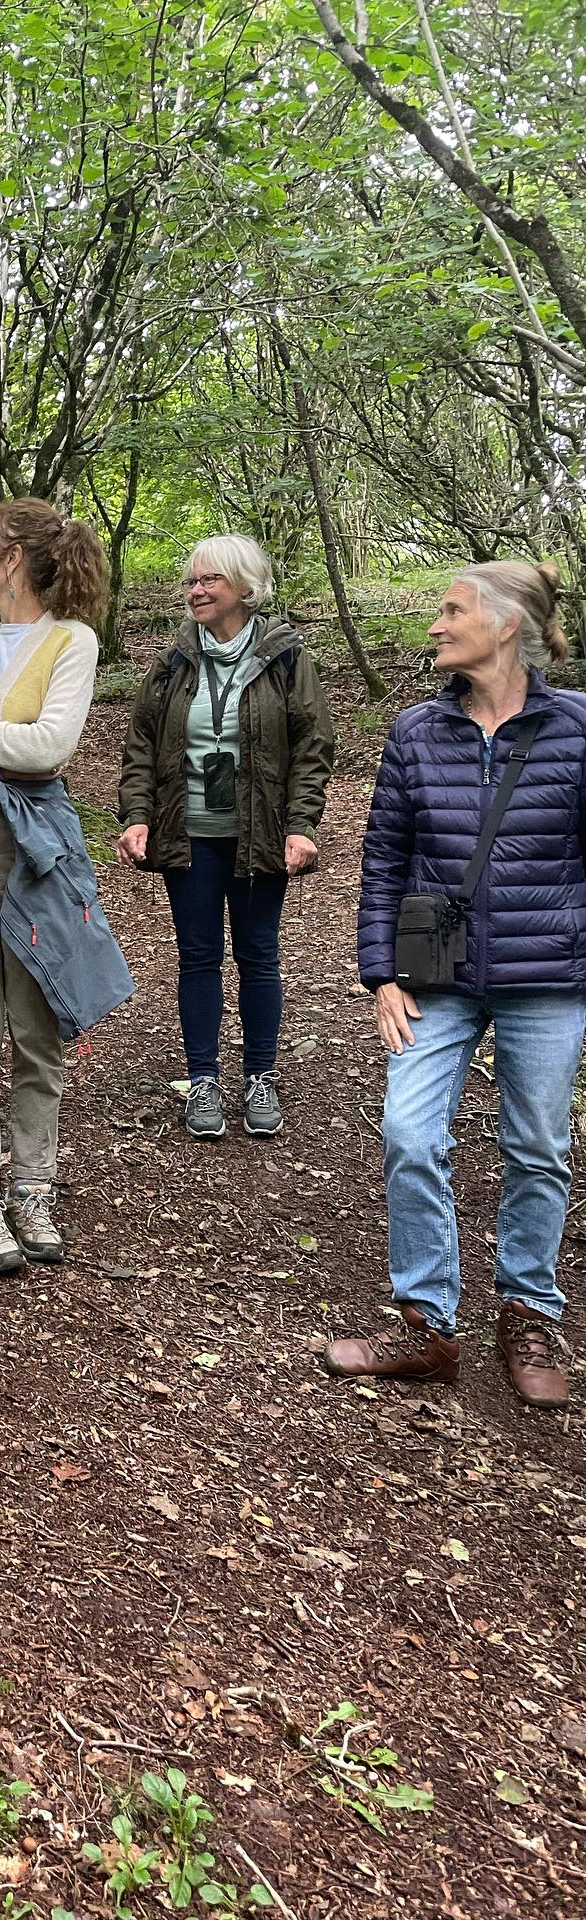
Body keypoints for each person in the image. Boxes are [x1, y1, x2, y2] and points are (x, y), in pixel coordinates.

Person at [325, 561, 584, 1409]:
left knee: (538, 1148)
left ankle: (528, 1311)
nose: (434, 625)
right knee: (407, 1132)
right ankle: (428, 1326)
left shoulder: (578, 728)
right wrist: (379, 975)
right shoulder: (414, 732)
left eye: (451, 610)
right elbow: (383, 860)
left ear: (507, 624)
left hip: (548, 975)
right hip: (438, 974)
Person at [0, 498, 133, 1273]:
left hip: (38, 852)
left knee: (37, 1032)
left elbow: (54, 747)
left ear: (11, 559)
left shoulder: (73, 641)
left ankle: (33, 1185)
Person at [117, 535, 334, 1139]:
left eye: (210, 580)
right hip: (190, 831)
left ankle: (260, 1077)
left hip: (258, 832)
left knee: (259, 956)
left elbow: (313, 747)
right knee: (198, 957)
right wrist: (136, 815)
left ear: (244, 586)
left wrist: (301, 824)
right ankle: (204, 1080)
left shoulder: (286, 657)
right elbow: (140, 746)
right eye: (191, 582)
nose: (197, 590)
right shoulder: (173, 661)